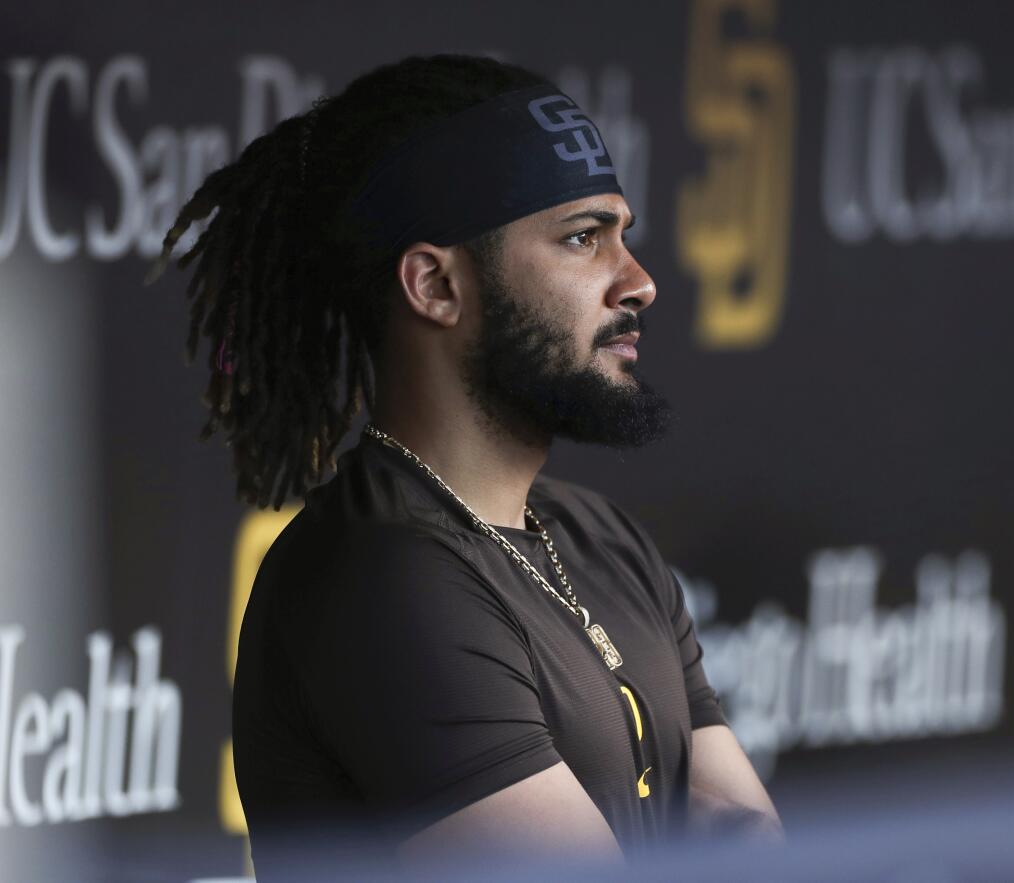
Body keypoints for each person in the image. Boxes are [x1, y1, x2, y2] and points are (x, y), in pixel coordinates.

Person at [151, 53, 781, 877]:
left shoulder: (602, 537)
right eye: (583, 238)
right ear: (435, 286)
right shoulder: (378, 578)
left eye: (623, 235)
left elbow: (753, 837)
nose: (639, 281)